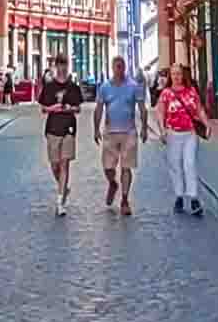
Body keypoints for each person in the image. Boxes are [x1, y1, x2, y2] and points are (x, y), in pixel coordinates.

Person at [94, 55, 149, 215]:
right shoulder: (105, 87)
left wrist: (144, 128)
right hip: (110, 132)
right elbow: (98, 109)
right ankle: (112, 183)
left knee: (126, 167)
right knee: (108, 167)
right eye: (116, 66)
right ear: (112, 68)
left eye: (121, 66)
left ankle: (125, 200)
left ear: (125, 68)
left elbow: (142, 108)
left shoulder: (133, 86)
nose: (119, 69)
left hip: (129, 132)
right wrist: (96, 129)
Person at [157, 62, 208, 217]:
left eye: (179, 74)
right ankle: (179, 196)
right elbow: (160, 112)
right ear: (170, 76)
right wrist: (162, 130)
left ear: (183, 75)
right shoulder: (166, 93)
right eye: (173, 74)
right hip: (173, 134)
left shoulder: (191, 91)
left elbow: (199, 109)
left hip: (190, 134)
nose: (177, 77)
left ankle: (193, 198)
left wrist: (207, 124)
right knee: (175, 166)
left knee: (189, 164)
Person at [37, 53, 83, 216]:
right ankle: (63, 188)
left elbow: (78, 108)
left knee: (64, 164)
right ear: (56, 66)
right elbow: (43, 108)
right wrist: (53, 108)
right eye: (60, 65)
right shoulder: (49, 86)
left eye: (65, 65)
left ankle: (60, 201)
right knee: (54, 164)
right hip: (52, 129)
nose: (63, 68)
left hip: (68, 129)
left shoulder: (73, 87)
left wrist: (70, 108)